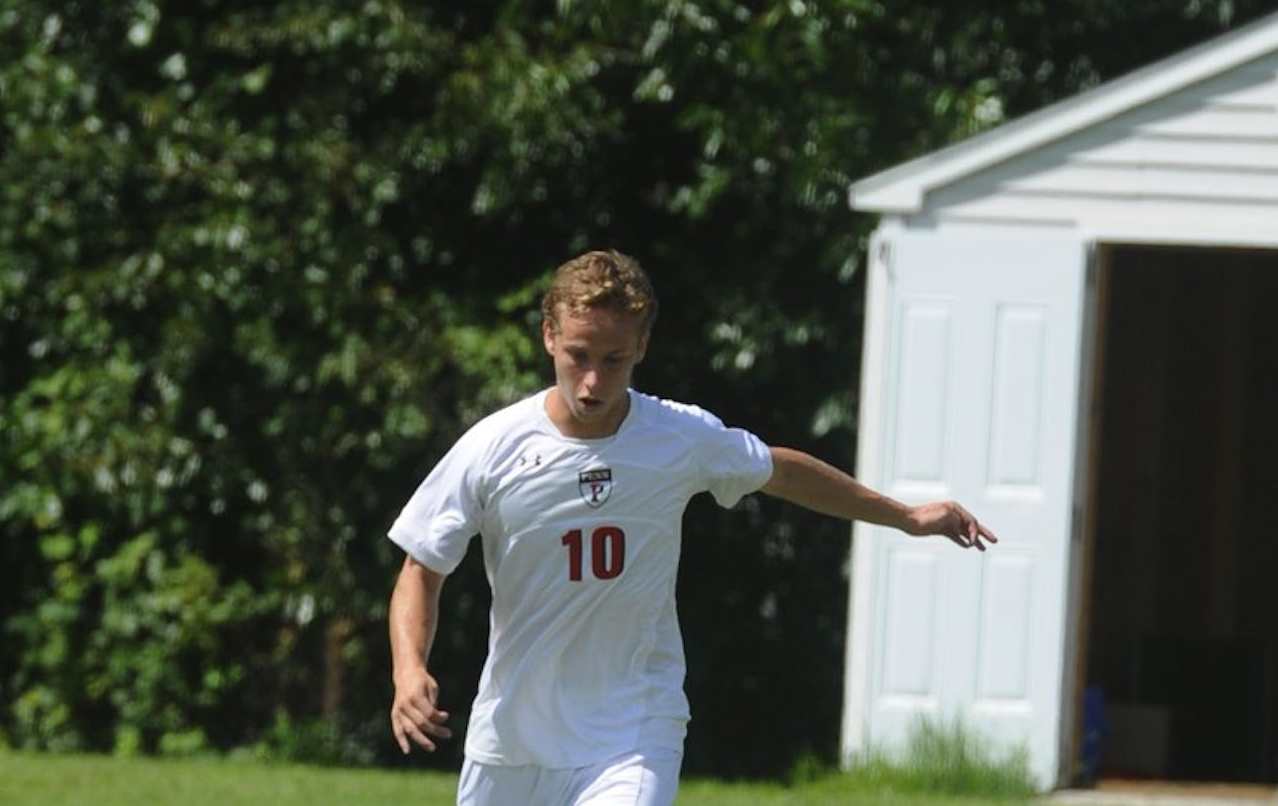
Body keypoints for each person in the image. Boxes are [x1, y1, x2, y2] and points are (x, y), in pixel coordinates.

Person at [387, 250, 996, 805]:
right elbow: (423, 567)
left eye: (614, 359)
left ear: (642, 347)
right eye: (578, 356)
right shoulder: (493, 448)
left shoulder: (679, 437)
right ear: (549, 337)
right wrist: (409, 667)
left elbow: (780, 472)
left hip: (631, 732)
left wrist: (907, 516)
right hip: (512, 741)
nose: (593, 380)